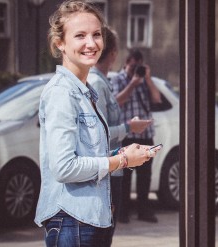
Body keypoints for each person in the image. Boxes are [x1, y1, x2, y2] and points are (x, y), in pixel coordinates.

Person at [34, 1, 160, 246]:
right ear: (60, 43)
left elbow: (86, 154)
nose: (91, 43)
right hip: (72, 220)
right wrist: (121, 161)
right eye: (80, 35)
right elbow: (64, 168)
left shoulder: (85, 91)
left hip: (89, 219)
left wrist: (123, 153)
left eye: (96, 35)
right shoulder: (62, 92)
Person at [87, 27, 152, 246]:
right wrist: (129, 127)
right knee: (103, 237)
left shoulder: (101, 82)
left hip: (111, 170)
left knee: (106, 235)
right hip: (106, 172)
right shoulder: (97, 83)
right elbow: (100, 134)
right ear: (113, 53)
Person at [112, 49, 162, 223]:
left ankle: (144, 211)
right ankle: (123, 212)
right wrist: (132, 83)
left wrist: (147, 79)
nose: (135, 70)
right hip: (128, 134)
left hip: (146, 135)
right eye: (133, 65)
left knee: (144, 176)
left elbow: (157, 99)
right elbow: (117, 101)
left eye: (138, 66)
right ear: (126, 62)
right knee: (125, 176)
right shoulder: (118, 79)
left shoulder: (145, 81)